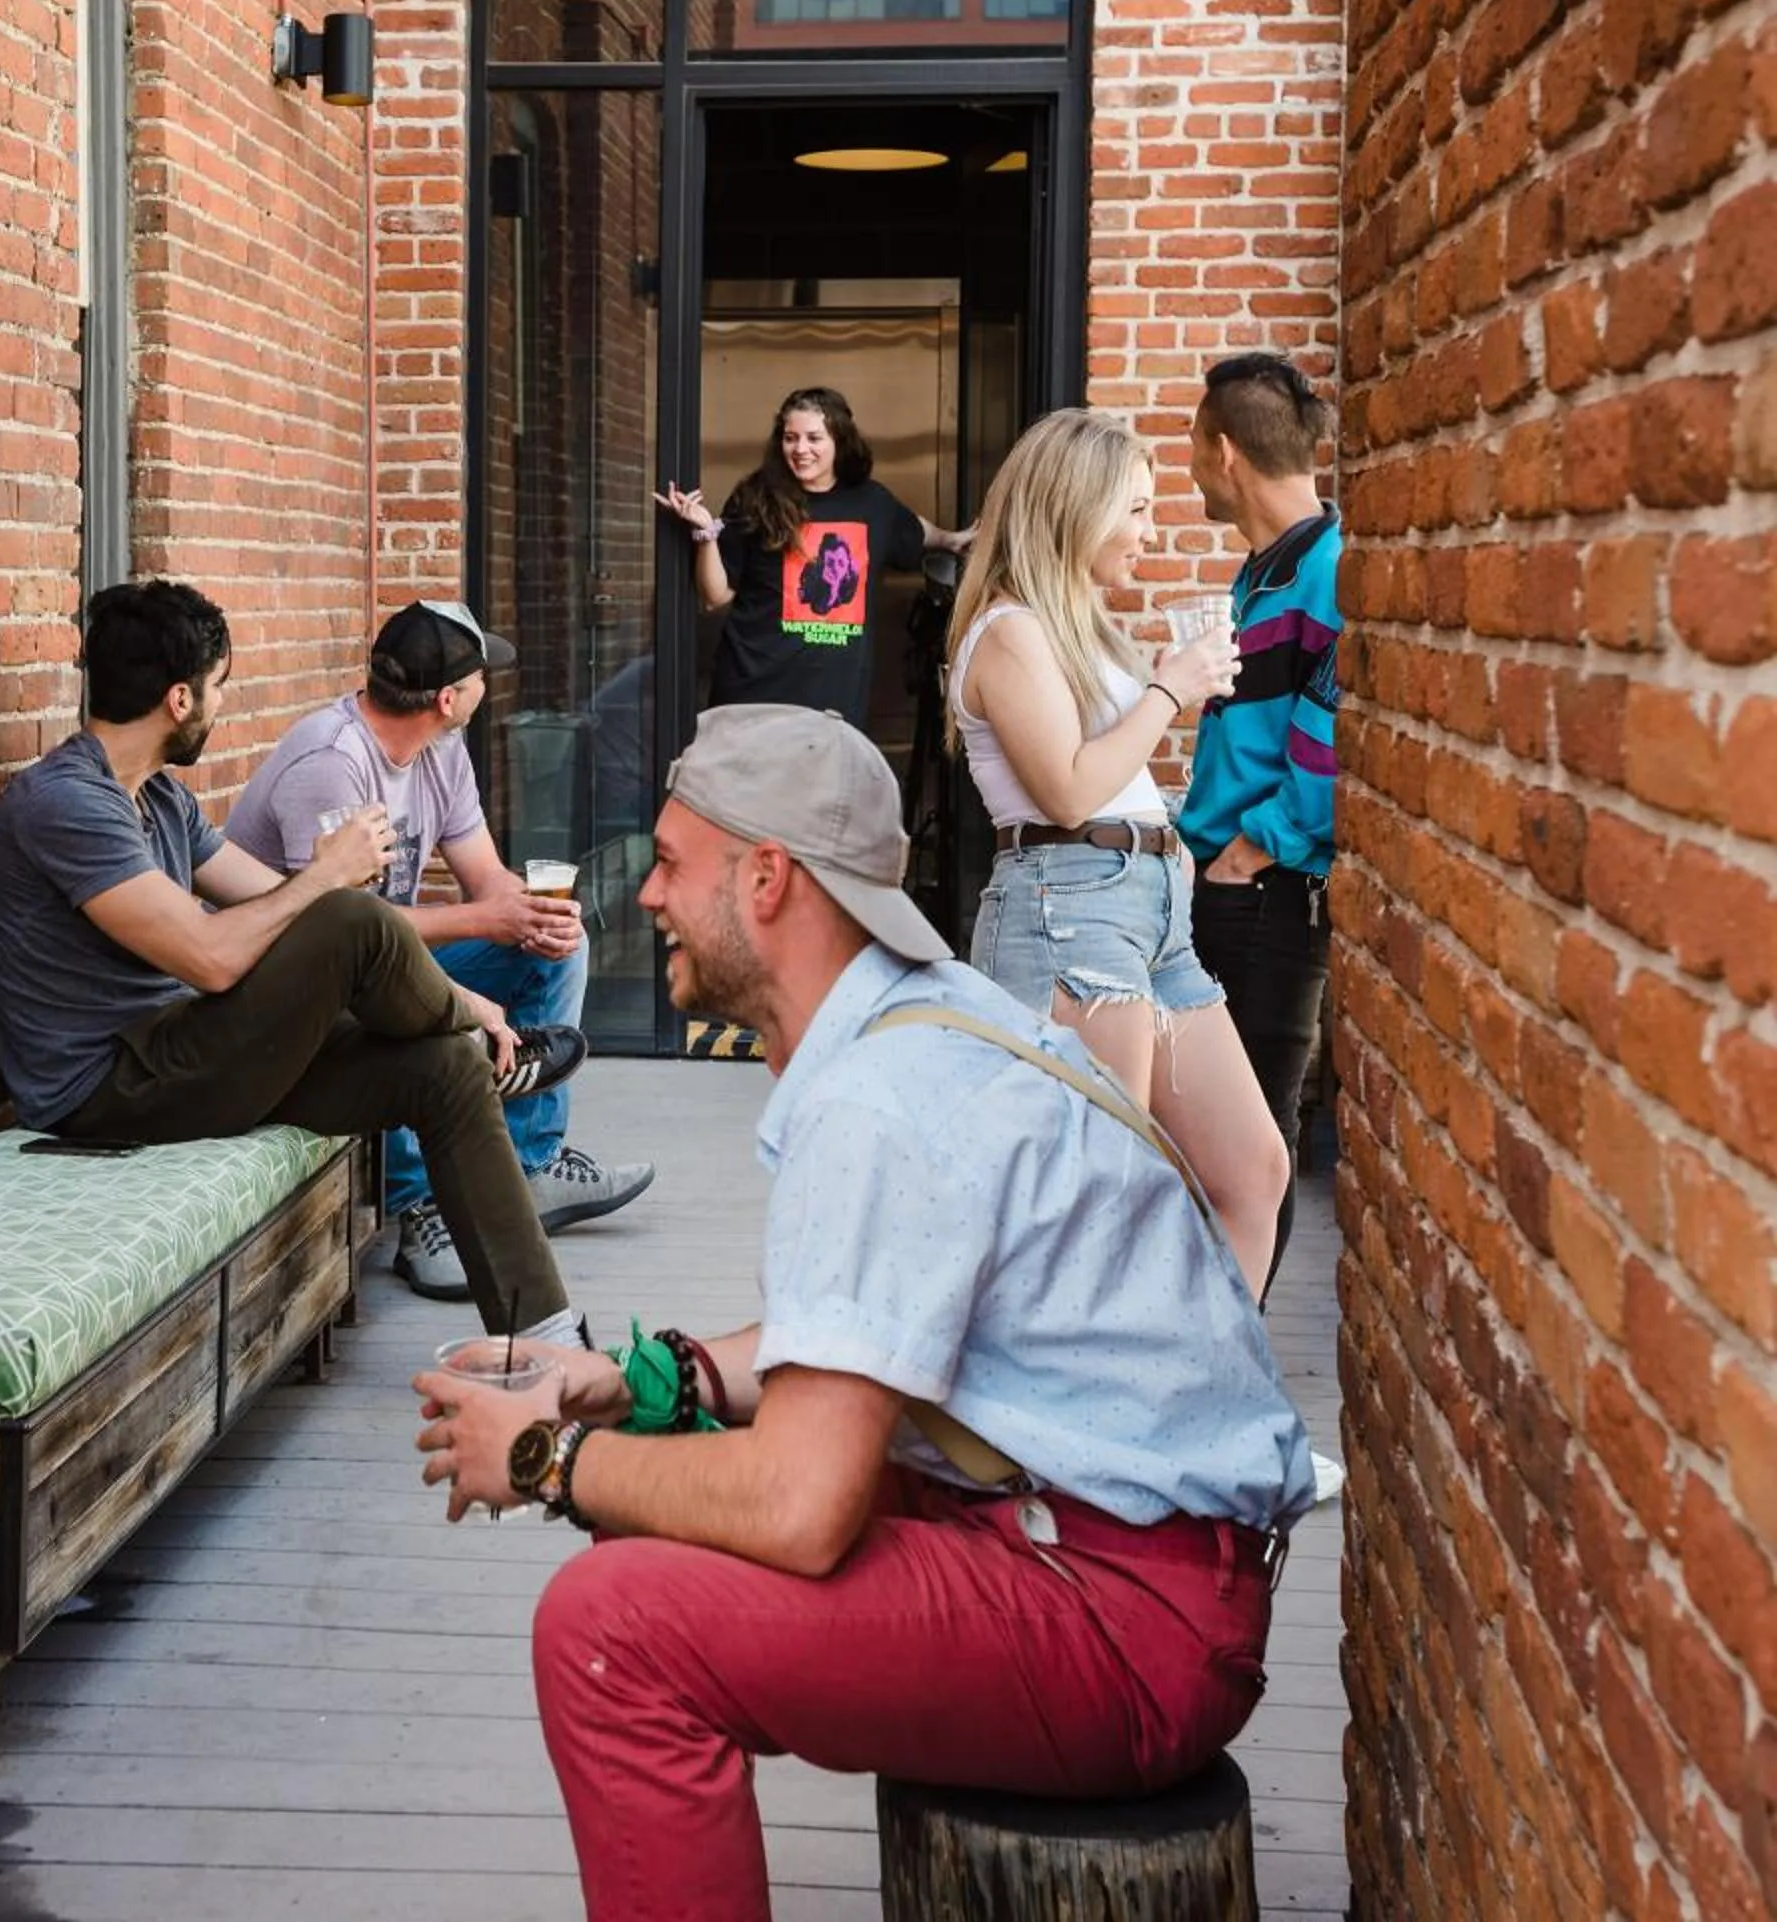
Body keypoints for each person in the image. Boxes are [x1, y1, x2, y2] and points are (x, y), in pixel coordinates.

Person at [408, 705, 1316, 1922]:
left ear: (767, 878)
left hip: (1128, 1617)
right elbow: (867, 1327)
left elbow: (800, 1505)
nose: (649, 896)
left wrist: (544, 1455)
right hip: (1121, 1553)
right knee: (656, 1506)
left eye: (671, 862)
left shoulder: (881, 1097)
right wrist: (640, 1381)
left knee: (607, 1628)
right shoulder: (915, 1027)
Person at [0, 579, 592, 1345]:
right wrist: (334, 879)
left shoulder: (160, 800)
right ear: (179, 699)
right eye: (217, 688)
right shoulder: (68, 805)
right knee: (353, 917)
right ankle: (472, 1026)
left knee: (443, 1068)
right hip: (108, 1088)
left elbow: (269, 897)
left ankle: (546, 1340)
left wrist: (335, 894)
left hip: (185, 1054)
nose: (220, 704)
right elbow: (210, 958)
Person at [942, 406, 1293, 1294]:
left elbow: (1112, 778)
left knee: (1252, 1171)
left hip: (1148, 915)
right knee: (1102, 1198)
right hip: (1070, 908)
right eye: (1135, 509)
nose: (1151, 531)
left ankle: (1205, 1377)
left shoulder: (1080, 625)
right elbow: (1066, 791)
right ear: (1076, 506)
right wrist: (1169, 692)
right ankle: (1088, 1379)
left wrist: (1167, 826)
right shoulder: (1009, 629)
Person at [224, 602, 655, 1298]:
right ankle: (421, 1203)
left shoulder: (441, 749)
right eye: (483, 674)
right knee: (392, 990)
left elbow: (483, 875)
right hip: (290, 982)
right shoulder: (331, 764)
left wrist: (527, 914)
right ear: (448, 698)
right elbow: (338, 931)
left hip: (375, 952)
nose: (492, 683)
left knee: (554, 946)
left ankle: (528, 1165)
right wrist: (485, 919)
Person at [1179, 352, 1342, 1288]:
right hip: (1229, 887)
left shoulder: (1327, 569)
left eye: (1194, 446)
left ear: (1226, 453)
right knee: (1213, 1143)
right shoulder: (1265, 573)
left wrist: (1252, 850)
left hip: (1265, 896)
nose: (1192, 467)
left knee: (1251, 1147)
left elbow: (1331, 742)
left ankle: (1229, 1352)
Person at [653, 386, 965, 722]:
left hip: (834, 706)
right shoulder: (755, 498)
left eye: (814, 438)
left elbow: (912, 528)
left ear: (839, 440)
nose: (801, 449)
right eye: (791, 438)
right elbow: (715, 596)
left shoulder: (873, 503)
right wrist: (705, 534)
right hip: (753, 696)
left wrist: (951, 540)